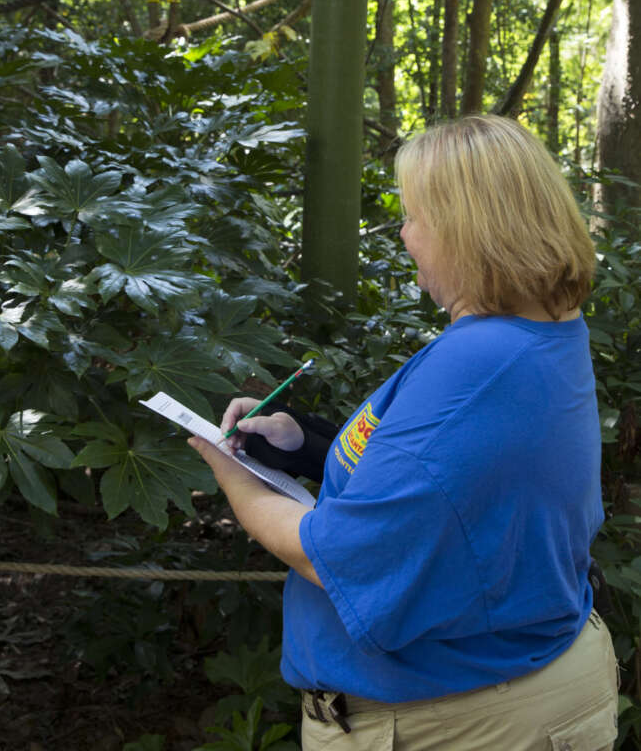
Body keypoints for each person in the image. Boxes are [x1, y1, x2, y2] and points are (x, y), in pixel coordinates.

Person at [188, 114, 619, 751]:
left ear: (468, 228)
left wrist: (232, 475)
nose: (404, 233)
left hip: (464, 718)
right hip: (512, 684)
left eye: (415, 215)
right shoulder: (538, 329)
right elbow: (446, 473)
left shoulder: (478, 362)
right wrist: (304, 443)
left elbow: (328, 554)